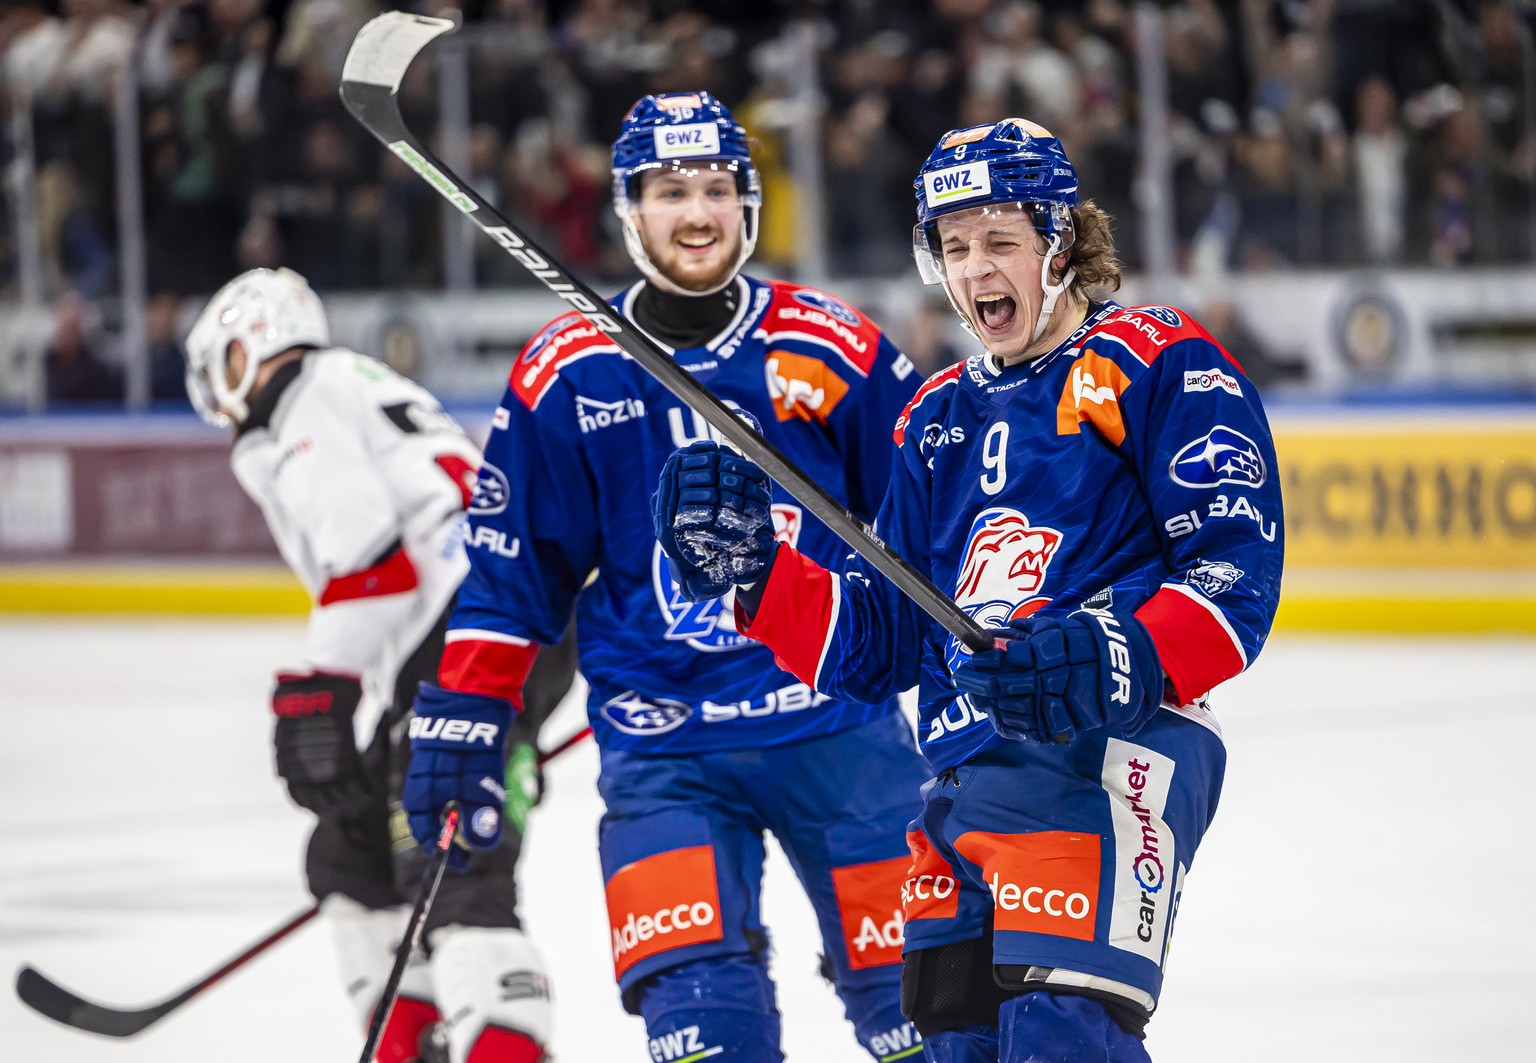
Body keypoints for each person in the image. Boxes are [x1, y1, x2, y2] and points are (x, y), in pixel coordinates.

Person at [651, 118, 1285, 1062]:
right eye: (955, 246)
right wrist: (756, 575)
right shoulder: (934, 418)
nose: (977, 269)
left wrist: (1111, 654)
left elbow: (1236, 576)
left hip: (1109, 752)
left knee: (1058, 1038)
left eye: (1000, 242)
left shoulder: (1155, 359)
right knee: (957, 1047)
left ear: (1059, 243)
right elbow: (883, 640)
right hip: (959, 784)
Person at [400, 93, 930, 1063]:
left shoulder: (830, 349)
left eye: (718, 188)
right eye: (671, 190)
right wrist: (463, 718)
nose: (697, 212)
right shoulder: (567, 373)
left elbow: (932, 533)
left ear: (749, 203)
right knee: (704, 1032)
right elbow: (513, 579)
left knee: (928, 1019)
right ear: (628, 209)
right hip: (664, 748)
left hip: (840, 731)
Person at [184, 267, 570, 1063]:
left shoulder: (304, 399)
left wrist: (316, 691)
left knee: (453, 861)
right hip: (478, 630)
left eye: (224, 363)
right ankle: (412, 1040)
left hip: (472, 636)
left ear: (262, 338)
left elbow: (375, 565)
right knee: (349, 850)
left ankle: (503, 1041)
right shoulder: (349, 384)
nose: (218, 393)